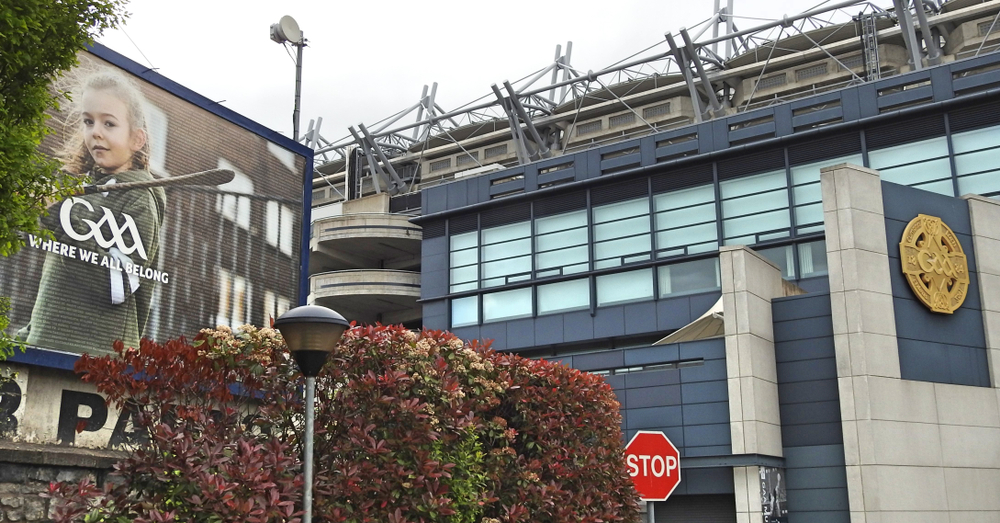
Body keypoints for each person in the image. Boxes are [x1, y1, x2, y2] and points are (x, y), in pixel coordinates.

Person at [17, 67, 166, 354]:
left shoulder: (139, 199)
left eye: (109, 124)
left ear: (137, 139)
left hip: (95, 364)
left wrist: (61, 214)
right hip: (48, 351)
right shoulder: (84, 192)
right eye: (88, 121)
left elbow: (118, 286)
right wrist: (29, 336)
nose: (95, 131)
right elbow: (61, 288)